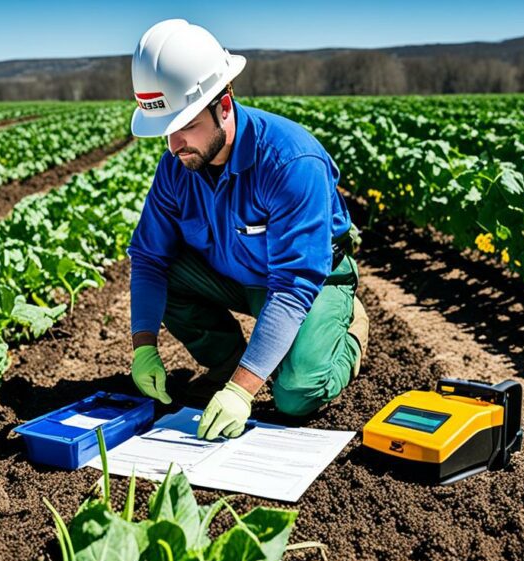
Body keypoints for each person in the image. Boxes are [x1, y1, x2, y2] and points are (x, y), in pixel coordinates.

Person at [127, 19, 369, 441]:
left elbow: (294, 282)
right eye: (167, 130)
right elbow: (149, 259)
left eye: (186, 124)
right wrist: (143, 344)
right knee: (165, 272)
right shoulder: (177, 166)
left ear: (224, 106)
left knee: (296, 394)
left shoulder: (291, 163)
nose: (174, 145)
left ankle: (345, 330)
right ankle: (231, 363)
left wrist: (242, 392)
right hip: (235, 276)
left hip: (307, 282)